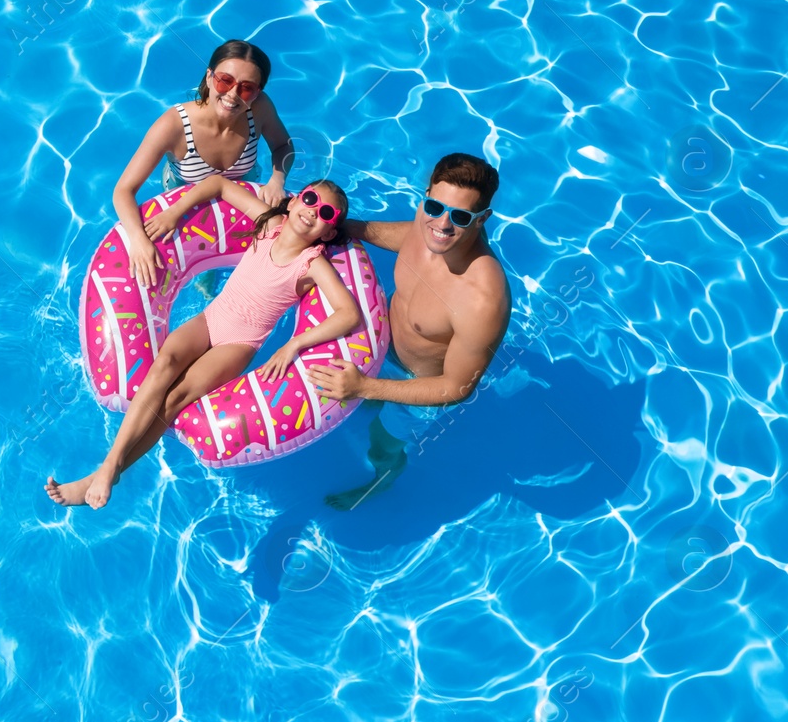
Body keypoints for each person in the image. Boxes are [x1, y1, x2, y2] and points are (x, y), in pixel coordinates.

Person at [47, 177, 358, 509]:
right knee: (163, 366)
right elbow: (219, 186)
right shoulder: (269, 223)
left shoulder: (312, 263)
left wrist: (293, 344)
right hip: (211, 318)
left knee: (176, 398)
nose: (313, 212)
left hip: (240, 341)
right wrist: (176, 211)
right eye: (310, 199)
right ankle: (108, 468)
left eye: (326, 213)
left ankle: (109, 471)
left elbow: (348, 313)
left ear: (328, 232)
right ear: (295, 201)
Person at [307, 153, 511, 504]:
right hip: (380, 347)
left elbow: (457, 387)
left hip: (418, 384)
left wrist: (367, 387)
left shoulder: (483, 298)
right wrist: (328, 223)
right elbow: (385, 233)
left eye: (460, 217)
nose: (443, 225)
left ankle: (381, 481)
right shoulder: (426, 224)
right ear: (426, 196)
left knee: (382, 443)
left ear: (482, 220)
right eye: (435, 206)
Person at [112, 39, 296, 289]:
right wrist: (138, 239)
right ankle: (206, 281)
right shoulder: (174, 125)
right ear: (209, 77)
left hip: (242, 191)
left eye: (246, 88)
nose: (232, 94)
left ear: (258, 92)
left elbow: (283, 146)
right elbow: (123, 190)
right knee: (204, 271)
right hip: (187, 199)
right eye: (225, 80)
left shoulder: (259, 109)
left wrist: (277, 179)